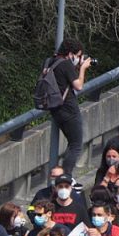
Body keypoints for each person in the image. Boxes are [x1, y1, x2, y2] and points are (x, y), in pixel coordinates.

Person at [43, 40, 93, 178]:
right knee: (76, 145)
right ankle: (66, 176)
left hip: (55, 108)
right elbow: (78, 86)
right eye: (78, 55)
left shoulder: (49, 61)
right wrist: (82, 69)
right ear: (70, 53)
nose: (78, 58)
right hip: (69, 109)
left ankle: (63, 173)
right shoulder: (66, 64)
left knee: (72, 143)